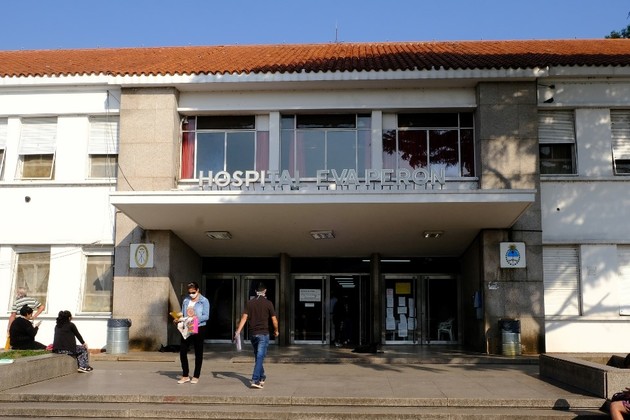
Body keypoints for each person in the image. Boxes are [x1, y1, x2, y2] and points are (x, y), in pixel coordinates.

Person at [234, 282, 279, 389]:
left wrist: (238, 331)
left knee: (258, 356)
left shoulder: (250, 303)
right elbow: (274, 320)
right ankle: (255, 380)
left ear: (255, 291)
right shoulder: (268, 303)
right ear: (265, 291)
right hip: (263, 334)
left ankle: (262, 376)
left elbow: (244, 318)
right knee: (260, 356)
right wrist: (276, 330)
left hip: (253, 334)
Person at [176, 282, 210, 384]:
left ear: (198, 290)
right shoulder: (186, 300)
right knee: (183, 350)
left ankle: (196, 375)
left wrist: (195, 319)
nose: (191, 294)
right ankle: (185, 375)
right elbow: (183, 313)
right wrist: (178, 318)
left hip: (198, 326)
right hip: (187, 326)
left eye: (193, 292)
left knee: (198, 351)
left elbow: (206, 316)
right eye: (189, 292)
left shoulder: (204, 301)